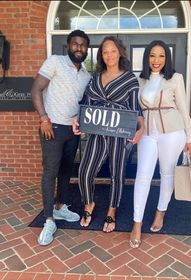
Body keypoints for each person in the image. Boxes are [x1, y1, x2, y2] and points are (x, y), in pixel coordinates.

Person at [73, 36, 144, 233]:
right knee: (84, 171)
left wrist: (141, 130)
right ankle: (89, 204)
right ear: (101, 55)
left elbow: (136, 109)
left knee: (117, 175)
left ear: (120, 52)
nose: (109, 55)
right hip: (97, 133)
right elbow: (85, 105)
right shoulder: (95, 79)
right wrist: (77, 120)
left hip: (120, 134)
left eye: (113, 51)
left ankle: (112, 210)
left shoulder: (129, 79)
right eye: (105, 51)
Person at [129, 40, 191, 248]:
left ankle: (160, 212)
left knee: (167, 173)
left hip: (173, 132)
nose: (157, 60)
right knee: (143, 175)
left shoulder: (175, 78)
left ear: (167, 58)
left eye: (161, 56)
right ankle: (136, 223)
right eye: (152, 56)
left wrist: (190, 136)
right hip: (147, 132)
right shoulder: (139, 80)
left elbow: (184, 109)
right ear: (147, 58)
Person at [31, 29, 91, 246]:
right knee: (50, 172)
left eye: (83, 45)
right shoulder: (55, 62)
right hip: (52, 127)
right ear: (68, 46)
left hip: (71, 131)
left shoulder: (86, 74)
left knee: (66, 171)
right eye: (75, 44)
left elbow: (83, 105)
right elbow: (36, 89)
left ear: (87, 49)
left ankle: (60, 207)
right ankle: (48, 220)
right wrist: (43, 118)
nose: (79, 48)